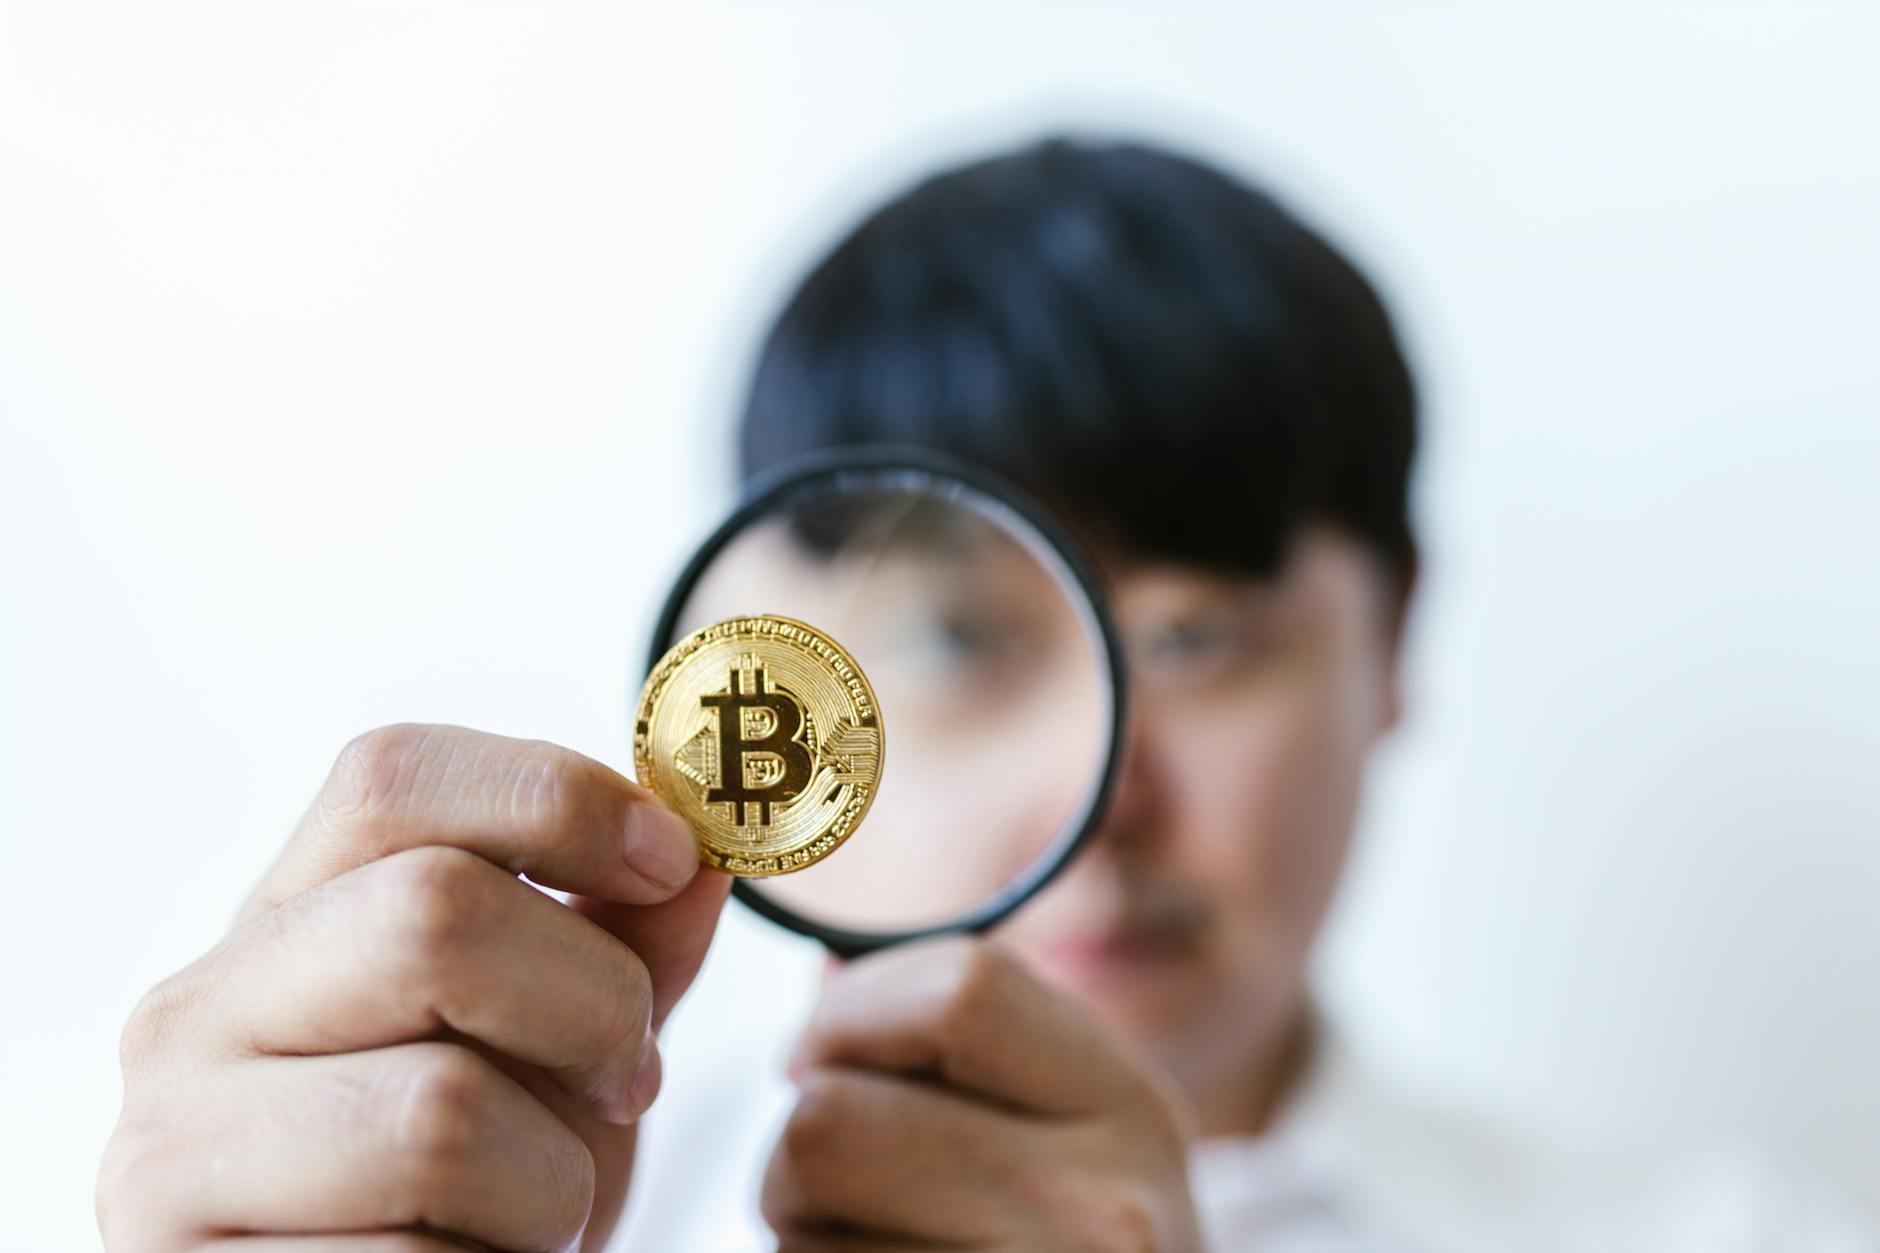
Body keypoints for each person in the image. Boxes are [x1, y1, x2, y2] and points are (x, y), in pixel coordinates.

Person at [97, 135, 1869, 1252]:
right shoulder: (486, 1189)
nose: (1097, 804)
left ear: (1395, 643)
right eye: (955, 638)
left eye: (1193, 640)